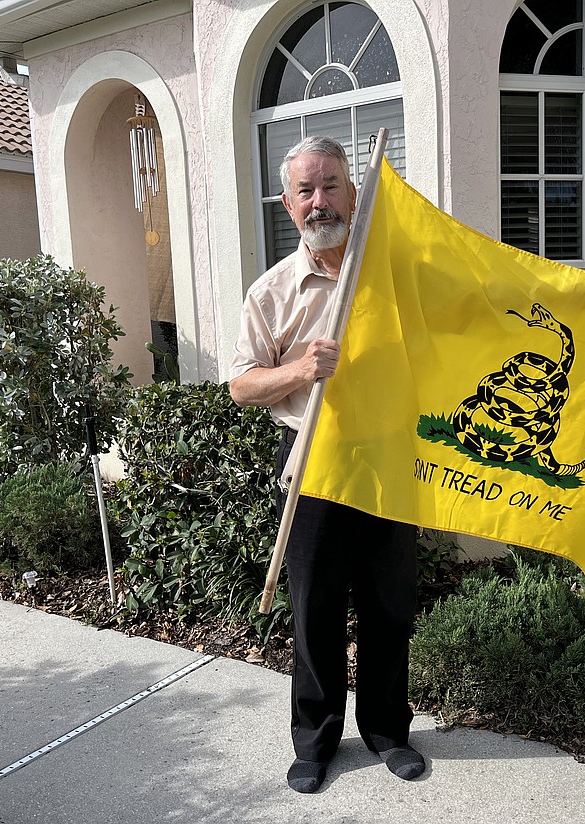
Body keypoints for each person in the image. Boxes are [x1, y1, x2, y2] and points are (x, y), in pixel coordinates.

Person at [229, 136, 424, 794]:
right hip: (311, 460)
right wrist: (298, 369)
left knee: (388, 599)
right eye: (306, 191)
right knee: (313, 605)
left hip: (386, 453)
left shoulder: (395, 272)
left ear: (354, 192)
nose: (320, 201)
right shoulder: (272, 292)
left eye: (331, 185)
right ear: (289, 205)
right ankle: (314, 740)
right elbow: (240, 385)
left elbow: (468, 318)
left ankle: (388, 732)